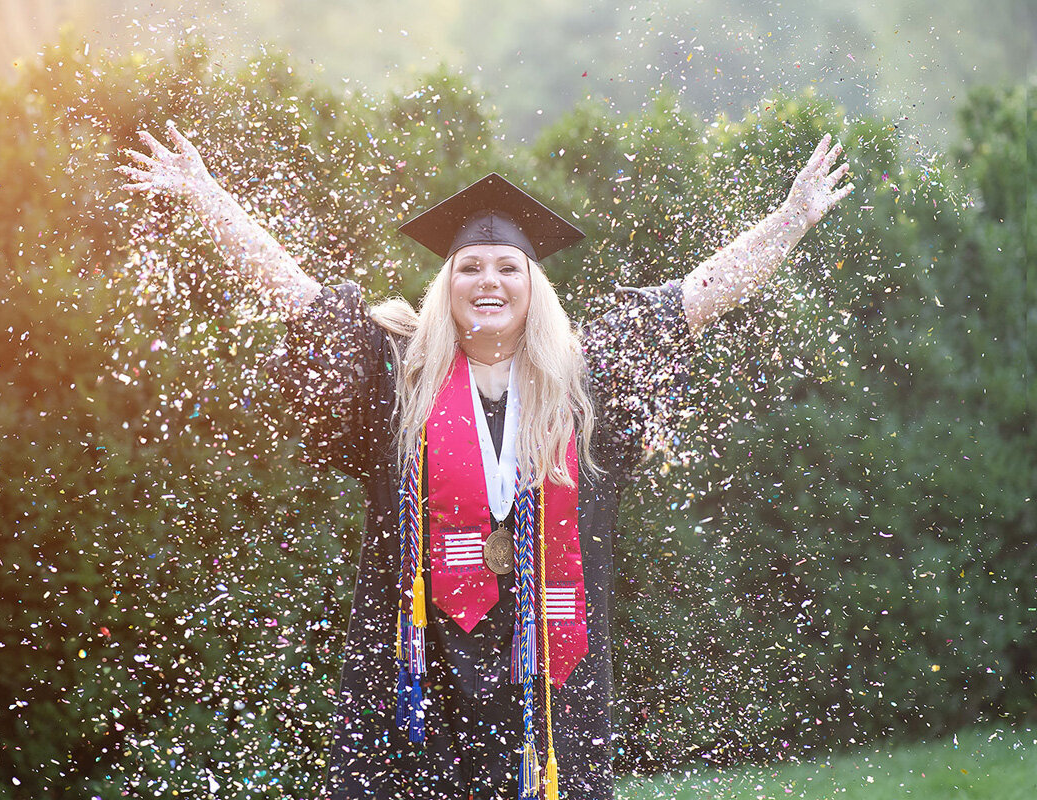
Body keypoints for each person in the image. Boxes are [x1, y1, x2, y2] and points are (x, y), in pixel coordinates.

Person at [119, 121, 853, 800]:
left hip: (547, 682)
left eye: (509, 265)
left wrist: (790, 221)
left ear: (536, 288)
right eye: (470, 266)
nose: (489, 280)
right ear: (447, 287)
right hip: (413, 676)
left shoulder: (589, 384)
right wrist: (209, 200)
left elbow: (693, 300)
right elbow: (299, 299)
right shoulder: (395, 381)